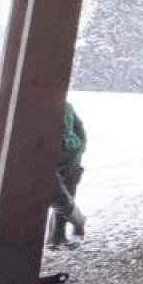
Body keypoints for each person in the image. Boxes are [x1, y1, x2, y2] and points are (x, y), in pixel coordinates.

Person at [47, 101, 87, 249]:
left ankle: (58, 235)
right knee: (58, 193)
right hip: (58, 151)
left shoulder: (63, 105)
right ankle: (75, 224)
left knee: (64, 191)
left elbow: (73, 130)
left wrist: (77, 146)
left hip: (70, 150)